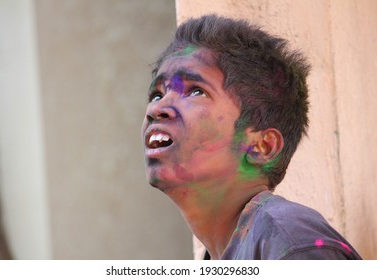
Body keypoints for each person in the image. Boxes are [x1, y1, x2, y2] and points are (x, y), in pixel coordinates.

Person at [141, 14, 362, 260]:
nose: (156, 109)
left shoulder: (294, 244)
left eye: (196, 91)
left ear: (261, 146)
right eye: (157, 94)